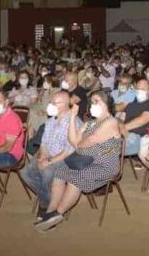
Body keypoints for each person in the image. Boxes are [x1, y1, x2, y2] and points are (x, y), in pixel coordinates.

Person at [35, 91, 122, 233]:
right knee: (59, 172)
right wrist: (72, 117)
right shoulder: (91, 123)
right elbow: (73, 140)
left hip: (105, 165)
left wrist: (78, 142)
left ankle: (57, 214)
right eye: (92, 102)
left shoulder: (111, 122)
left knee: (76, 178)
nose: (93, 105)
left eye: (97, 101)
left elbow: (83, 143)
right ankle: (50, 211)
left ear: (106, 103)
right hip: (86, 162)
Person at [24, 90, 80, 220]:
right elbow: (44, 143)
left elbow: (69, 150)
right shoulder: (50, 121)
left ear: (66, 105)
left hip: (66, 159)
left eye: (56, 103)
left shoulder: (73, 122)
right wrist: (43, 157)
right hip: (49, 155)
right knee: (26, 173)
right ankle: (49, 199)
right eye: (51, 102)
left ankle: (45, 205)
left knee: (47, 173)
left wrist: (48, 162)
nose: (52, 105)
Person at [120, 77, 149, 157]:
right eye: (138, 89)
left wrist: (118, 129)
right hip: (123, 134)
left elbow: (141, 120)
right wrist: (119, 127)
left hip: (136, 138)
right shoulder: (132, 103)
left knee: (103, 148)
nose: (139, 91)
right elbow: (121, 117)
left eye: (142, 89)